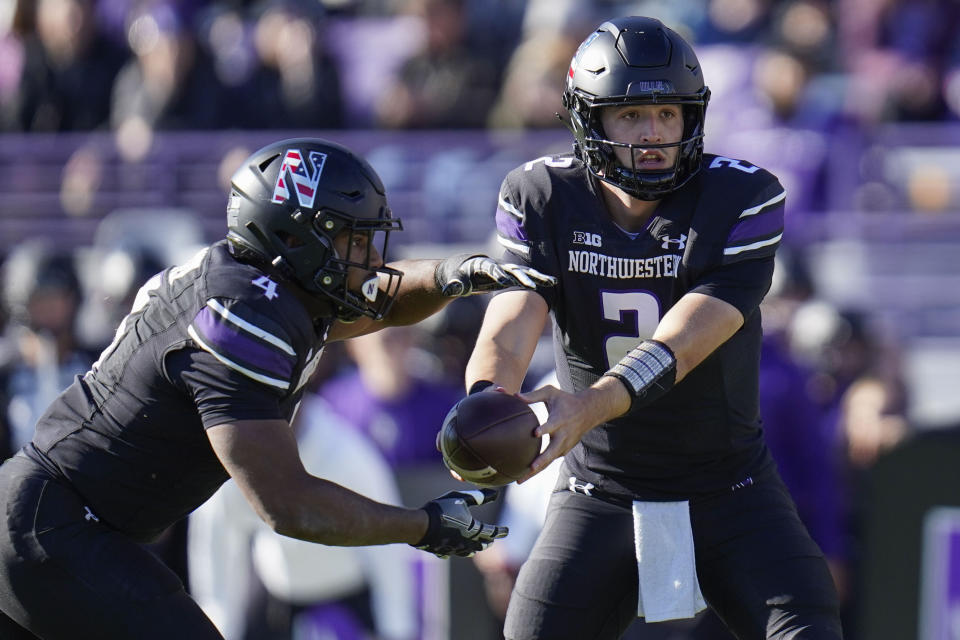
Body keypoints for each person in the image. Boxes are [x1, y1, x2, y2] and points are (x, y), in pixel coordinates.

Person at [0, 137, 555, 639]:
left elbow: (378, 303)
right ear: (293, 237)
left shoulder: (257, 286)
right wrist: (422, 525)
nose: (371, 259)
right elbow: (288, 505)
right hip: (59, 527)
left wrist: (454, 274)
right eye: (352, 239)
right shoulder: (241, 318)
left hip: (54, 521)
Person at [463, 17, 843, 640]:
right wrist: (486, 409)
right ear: (589, 119)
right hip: (599, 487)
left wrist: (589, 404)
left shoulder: (741, 198)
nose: (654, 134)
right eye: (631, 115)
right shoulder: (542, 195)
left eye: (668, 113)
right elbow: (508, 326)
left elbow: (681, 343)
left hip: (730, 487)